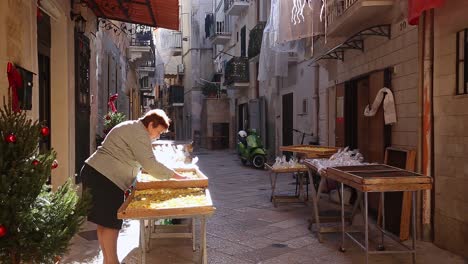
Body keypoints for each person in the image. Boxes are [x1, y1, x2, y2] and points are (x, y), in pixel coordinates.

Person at [80, 109, 187, 264]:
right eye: (158, 132)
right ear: (151, 125)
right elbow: (150, 164)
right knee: (111, 223)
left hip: (97, 173)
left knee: (104, 222)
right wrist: (177, 176)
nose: (157, 137)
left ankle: (108, 260)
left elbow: (141, 159)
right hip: (105, 177)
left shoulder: (133, 127)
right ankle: (112, 261)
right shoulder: (139, 133)